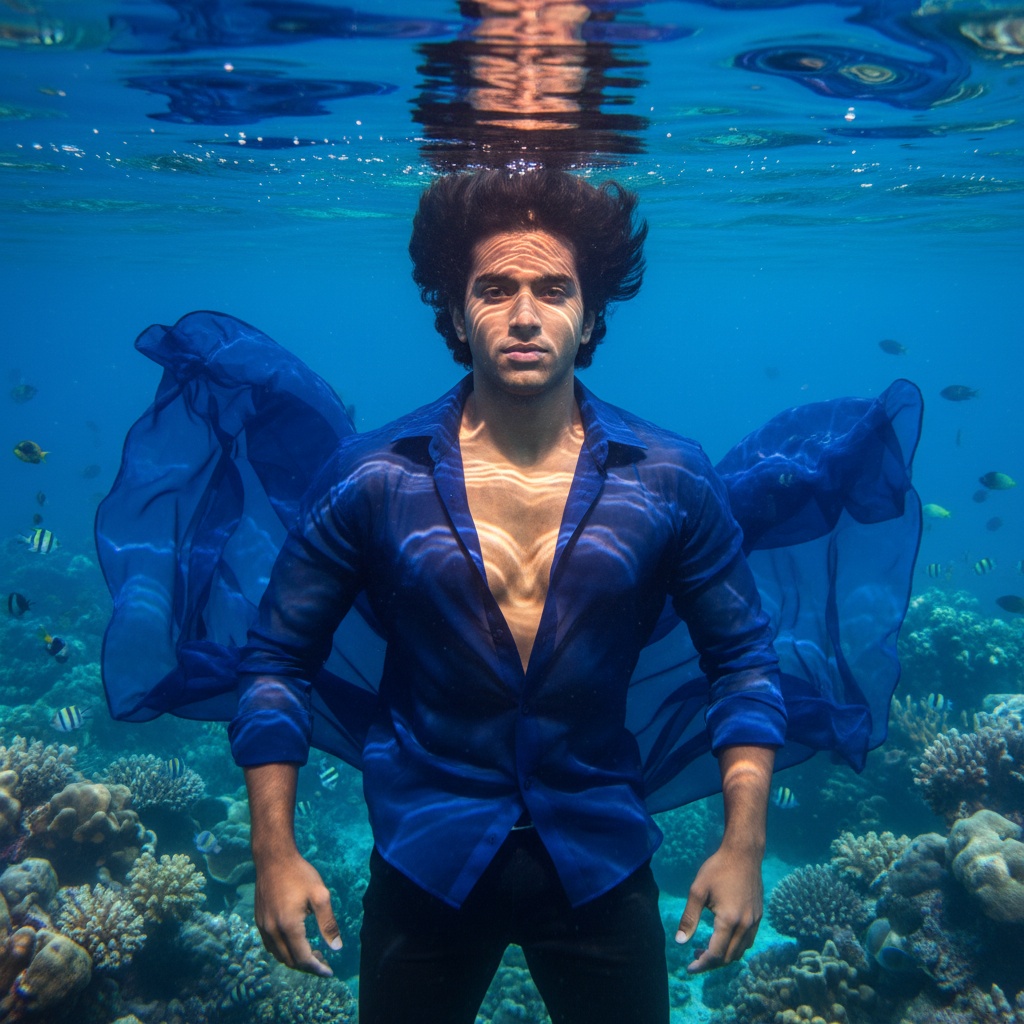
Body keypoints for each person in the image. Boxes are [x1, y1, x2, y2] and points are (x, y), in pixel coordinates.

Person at [229, 169, 787, 1024]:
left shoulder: (670, 479)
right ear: (455, 314)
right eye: (495, 289)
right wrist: (274, 849)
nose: (524, 314)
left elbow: (743, 665)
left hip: (598, 857)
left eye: (553, 289)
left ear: (591, 315)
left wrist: (743, 845)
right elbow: (277, 661)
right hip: (424, 858)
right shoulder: (372, 477)